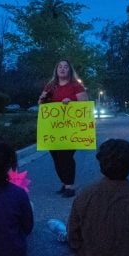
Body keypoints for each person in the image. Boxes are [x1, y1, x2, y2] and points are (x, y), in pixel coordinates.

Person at [38, 59, 89, 198]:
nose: (62, 69)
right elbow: (42, 104)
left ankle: (70, 186)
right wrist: (43, 99)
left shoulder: (75, 86)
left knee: (65, 156)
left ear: (70, 70)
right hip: (53, 128)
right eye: (60, 66)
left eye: (65, 67)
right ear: (56, 70)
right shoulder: (51, 86)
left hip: (70, 128)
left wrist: (71, 103)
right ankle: (64, 181)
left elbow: (84, 104)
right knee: (55, 156)